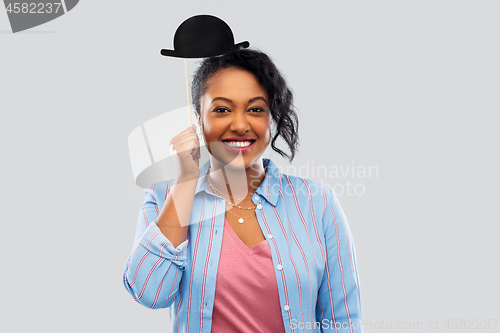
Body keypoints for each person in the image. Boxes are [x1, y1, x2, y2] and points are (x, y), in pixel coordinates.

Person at [123, 49, 363, 333]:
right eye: (222, 109)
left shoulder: (318, 203)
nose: (239, 125)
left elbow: (342, 321)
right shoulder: (164, 197)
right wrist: (186, 180)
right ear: (198, 120)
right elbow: (150, 293)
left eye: (255, 109)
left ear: (270, 118)